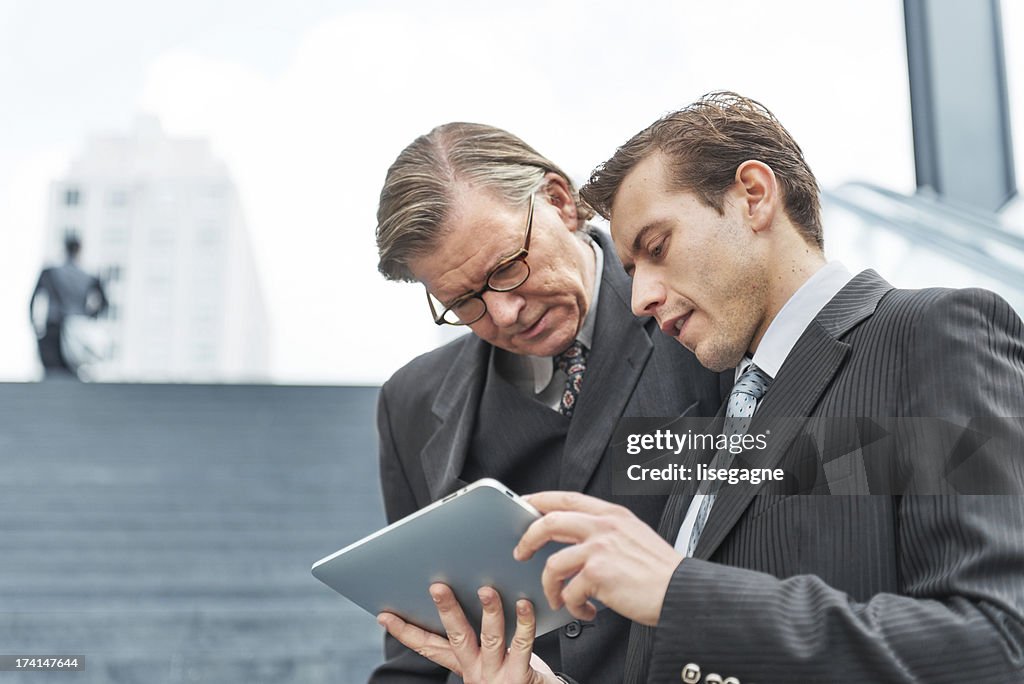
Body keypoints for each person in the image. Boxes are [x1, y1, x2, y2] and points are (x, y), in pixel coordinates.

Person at [380, 93, 1024, 683]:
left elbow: (997, 644)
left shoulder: (933, 335)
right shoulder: (741, 401)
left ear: (753, 194)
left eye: (657, 247)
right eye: (463, 301)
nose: (641, 300)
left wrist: (677, 591)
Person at [369, 122, 725, 684]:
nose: (505, 313)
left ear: (561, 202)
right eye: (464, 301)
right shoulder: (410, 403)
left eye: (507, 267)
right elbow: (418, 654)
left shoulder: (708, 315)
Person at [29, 235, 108, 378]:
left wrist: (35, 327)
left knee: (52, 376)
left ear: (64, 248)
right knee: (73, 376)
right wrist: (88, 316)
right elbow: (104, 304)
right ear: (79, 250)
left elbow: (33, 300)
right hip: (77, 330)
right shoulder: (89, 276)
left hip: (53, 328)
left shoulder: (50, 272)